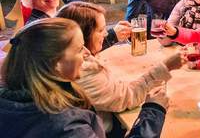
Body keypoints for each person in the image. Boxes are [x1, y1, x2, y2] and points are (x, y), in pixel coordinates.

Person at [0, 18, 168, 137]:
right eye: (80, 49)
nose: (87, 53)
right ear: (56, 64)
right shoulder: (67, 126)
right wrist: (153, 111)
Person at [56, 2, 186, 132]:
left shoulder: (60, 60)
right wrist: (165, 67)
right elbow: (128, 97)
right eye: (101, 30)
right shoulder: (84, 71)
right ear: (82, 36)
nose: (106, 34)